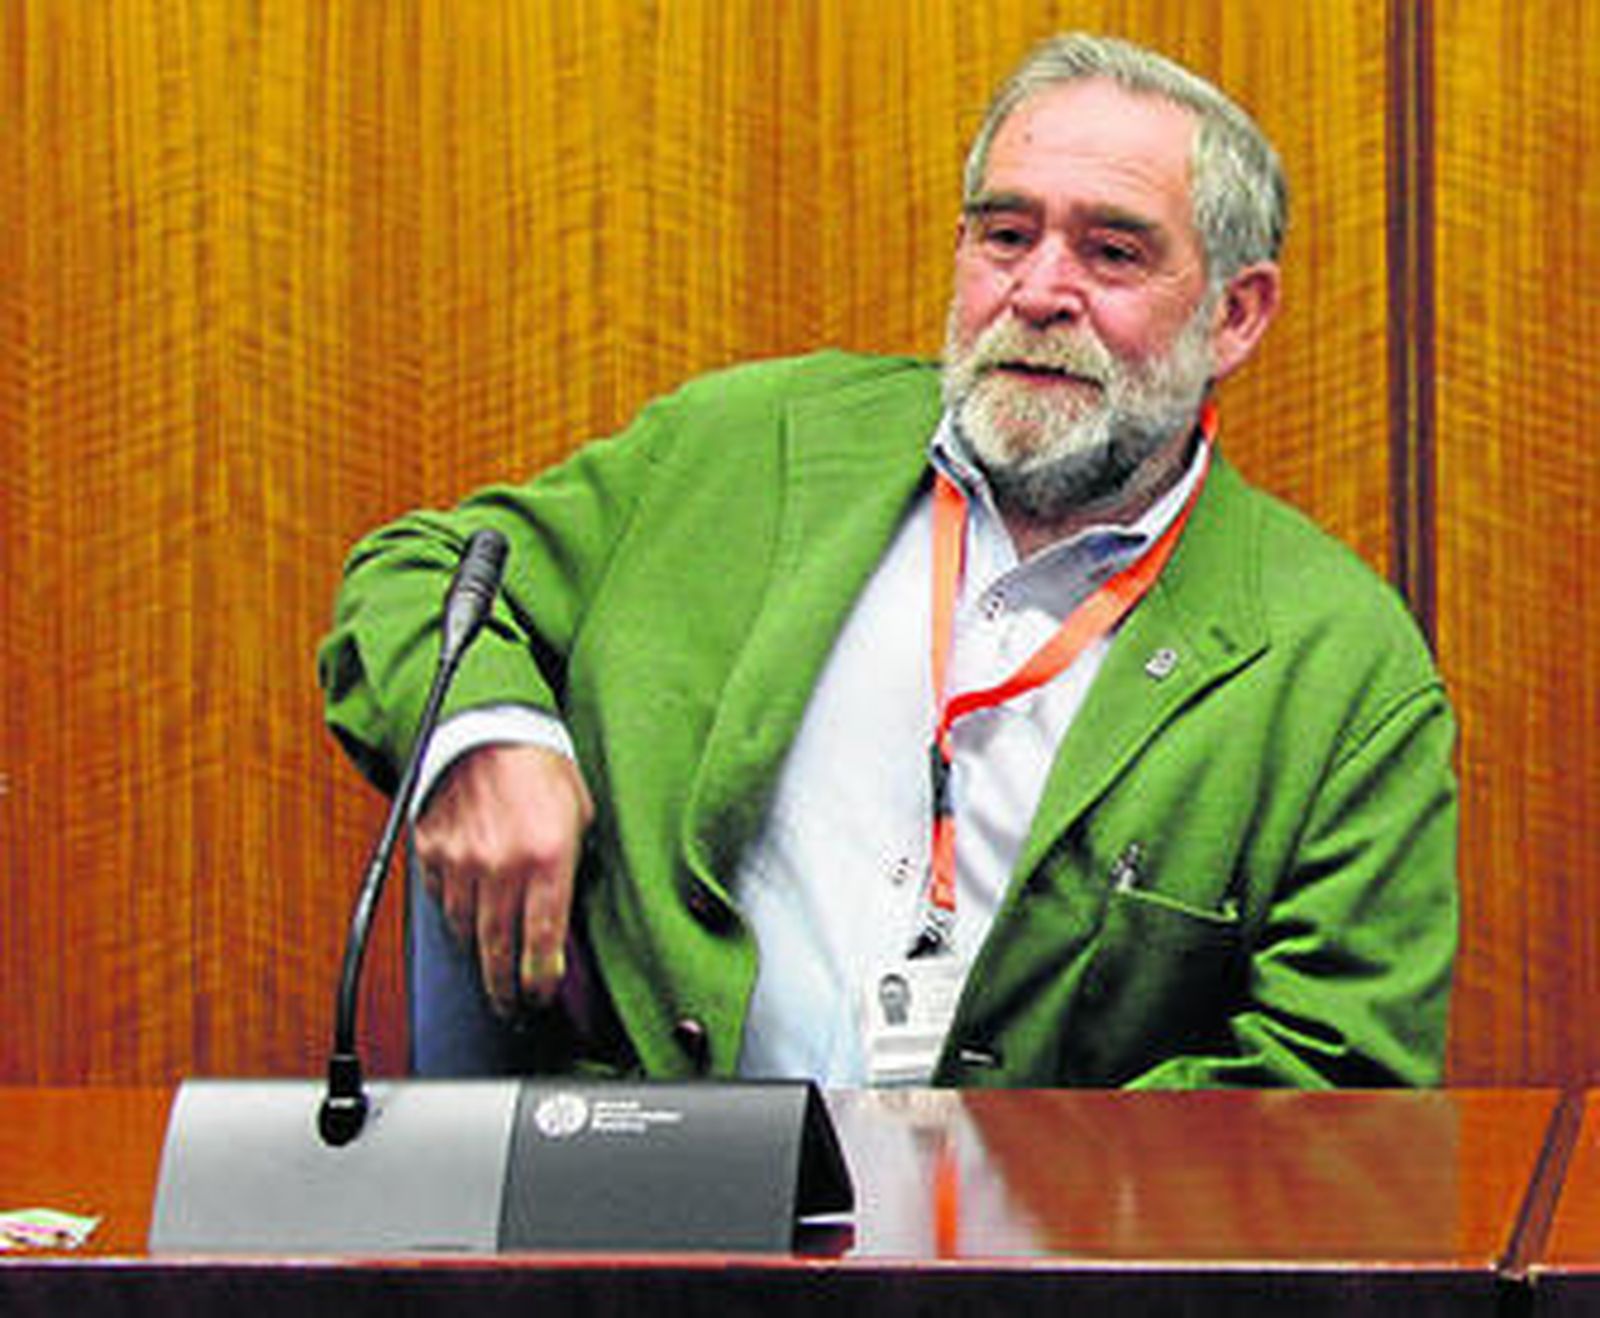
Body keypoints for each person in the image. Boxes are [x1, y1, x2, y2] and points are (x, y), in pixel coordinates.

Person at [319, 33, 1458, 1088]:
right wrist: (486, 737)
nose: (1038, 292)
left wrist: (1002, 1194)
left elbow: (1335, 1087)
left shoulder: (1339, 668)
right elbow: (421, 572)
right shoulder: (742, 447)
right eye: (1005, 235)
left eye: (1111, 253)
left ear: (1235, 316)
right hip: (653, 1198)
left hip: (1040, 1238)